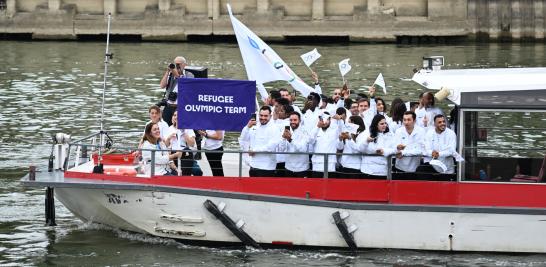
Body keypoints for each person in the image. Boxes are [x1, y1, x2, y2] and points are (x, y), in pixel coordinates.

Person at [239, 106, 282, 177]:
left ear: (270, 116)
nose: (263, 118)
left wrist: (254, 150)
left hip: (267, 168)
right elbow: (243, 139)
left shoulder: (275, 128)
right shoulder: (254, 126)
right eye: (261, 115)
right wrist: (247, 127)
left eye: (265, 116)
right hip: (253, 165)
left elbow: (270, 147)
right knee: (252, 188)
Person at [159, 56, 195, 125]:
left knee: (178, 128)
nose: (177, 66)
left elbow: (185, 84)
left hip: (180, 107)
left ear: (184, 65)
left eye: (179, 64)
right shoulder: (171, 75)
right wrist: (167, 72)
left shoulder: (190, 75)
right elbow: (162, 86)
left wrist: (177, 74)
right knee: (165, 126)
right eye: (175, 64)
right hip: (169, 105)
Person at [358, 114, 396, 178]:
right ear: (376, 125)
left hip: (383, 171)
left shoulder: (390, 134)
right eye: (382, 124)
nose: (384, 125)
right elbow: (360, 149)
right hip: (368, 170)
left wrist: (384, 151)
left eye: (385, 123)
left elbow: (394, 149)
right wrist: (366, 141)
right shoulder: (367, 133)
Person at [421, 114, 457, 178]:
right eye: (439, 122)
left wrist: (438, 154)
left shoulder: (451, 133)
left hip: (447, 170)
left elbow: (451, 151)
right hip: (433, 168)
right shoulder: (429, 133)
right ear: (434, 124)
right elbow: (425, 149)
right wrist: (431, 153)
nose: (442, 123)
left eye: (444, 121)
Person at [393, 111, 425, 179]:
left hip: (414, 168)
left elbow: (420, 150)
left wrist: (403, 152)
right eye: (404, 120)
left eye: (409, 120)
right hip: (399, 167)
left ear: (414, 121)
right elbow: (393, 147)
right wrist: (397, 147)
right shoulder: (398, 131)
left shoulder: (421, 131)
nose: (406, 122)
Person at [165, 111, 199, 176]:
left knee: (197, 172)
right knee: (176, 172)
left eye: (178, 115)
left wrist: (183, 132)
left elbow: (192, 144)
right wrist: (169, 138)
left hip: (186, 153)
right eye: (174, 115)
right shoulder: (169, 129)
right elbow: (165, 145)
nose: (176, 117)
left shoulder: (188, 128)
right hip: (173, 153)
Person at [309, 111, 341, 178]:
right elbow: (311, 141)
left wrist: (339, 120)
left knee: (330, 187)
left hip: (330, 166)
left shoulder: (335, 131)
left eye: (327, 119)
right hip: (317, 166)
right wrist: (317, 127)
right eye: (322, 119)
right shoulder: (315, 130)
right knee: (316, 187)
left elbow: (342, 131)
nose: (324, 122)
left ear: (330, 120)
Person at [279, 112, 310, 177]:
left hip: (302, 169)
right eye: (291, 120)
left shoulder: (305, 131)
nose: (292, 122)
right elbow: (281, 149)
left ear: (300, 121)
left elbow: (302, 149)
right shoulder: (286, 130)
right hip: (288, 167)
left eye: (295, 120)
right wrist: (283, 138)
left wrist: (290, 140)